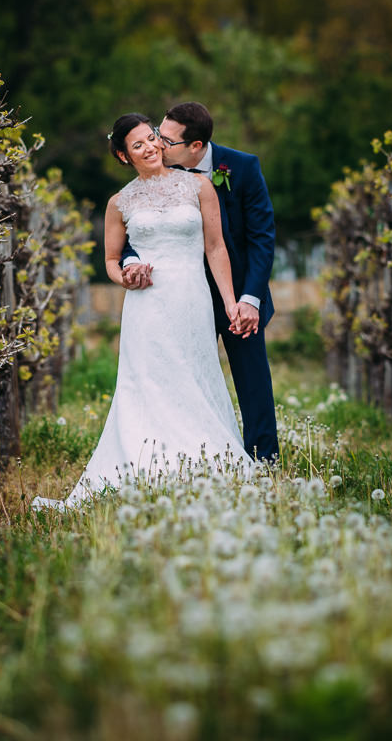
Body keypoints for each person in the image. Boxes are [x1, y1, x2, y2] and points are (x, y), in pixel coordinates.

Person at [32, 113, 254, 510]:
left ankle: (205, 463)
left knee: (193, 375)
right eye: (138, 145)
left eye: (152, 138)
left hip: (191, 298)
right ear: (123, 156)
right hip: (147, 305)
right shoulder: (120, 202)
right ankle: (149, 465)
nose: (150, 147)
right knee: (148, 382)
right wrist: (126, 276)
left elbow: (215, 248)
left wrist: (229, 301)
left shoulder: (199, 186)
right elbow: (111, 260)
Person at [122, 102, 279, 461]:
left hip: (237, 296)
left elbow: (261, 238)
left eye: (166, 140)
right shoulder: (154, 175)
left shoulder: (242, 167)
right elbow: (135, 227)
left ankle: (264, 462)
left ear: (195, 146)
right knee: (182, 380)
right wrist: (132, 261)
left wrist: (249, 299)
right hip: (179, 297)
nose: (157, 145)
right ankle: (182, 458)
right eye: (156, 136)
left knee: (253, 381)